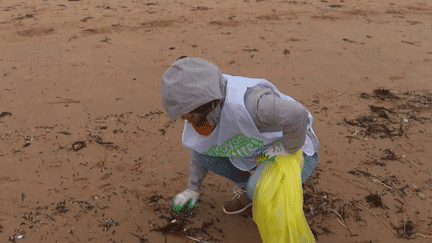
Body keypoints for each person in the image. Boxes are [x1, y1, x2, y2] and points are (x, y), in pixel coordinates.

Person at [161, 57, 320, 215]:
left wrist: (285, 147)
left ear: (204, 104)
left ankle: (259, 191)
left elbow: (298, 115)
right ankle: (248, 190)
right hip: (257, 148)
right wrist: (192, 188)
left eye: (188, 116)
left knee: (259, 190)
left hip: (296, 147)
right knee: (206, 157)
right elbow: (201, 146)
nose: (185, 120)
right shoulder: (199, 109)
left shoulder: (252, 104)